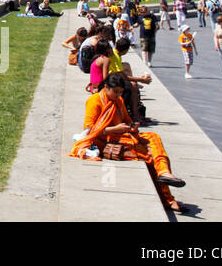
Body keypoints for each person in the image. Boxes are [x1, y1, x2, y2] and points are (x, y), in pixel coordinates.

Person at [70, 72, 185, 212]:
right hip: (105, 141)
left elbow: (127, 120)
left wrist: (132, 126)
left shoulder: (118, 101)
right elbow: (89, 130)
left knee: (153, 137)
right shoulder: (95, 100)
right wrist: (114, 129)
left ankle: (165, 173)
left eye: (120, 92)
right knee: (149, 156)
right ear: (106, 87)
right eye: (115, 92)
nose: (118, 95)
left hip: (122, 136)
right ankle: (168, 198)